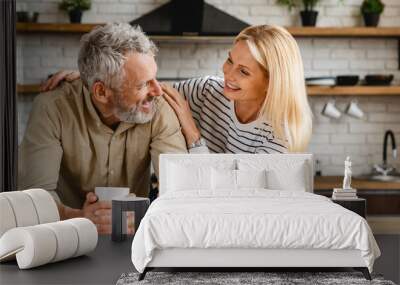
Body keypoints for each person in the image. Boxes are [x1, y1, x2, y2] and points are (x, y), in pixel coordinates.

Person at [18, 23, 187, 234]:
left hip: (136, 237)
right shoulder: (52, 108)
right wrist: (80, 218)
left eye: (155, 78)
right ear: (100, 92)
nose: (158, 90)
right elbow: (33, 197)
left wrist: (145, 219)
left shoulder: (158, 109)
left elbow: (181, 192)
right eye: (143, 84)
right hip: (65, 236)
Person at [43, 25, 312, 153]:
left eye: (243, 71)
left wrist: (192, 132)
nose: (227, 73)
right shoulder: (208, 91)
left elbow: (228, 197)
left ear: (272, 82)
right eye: (230, 60)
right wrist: (94, 76)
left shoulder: (279, 136)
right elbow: (141, 89)